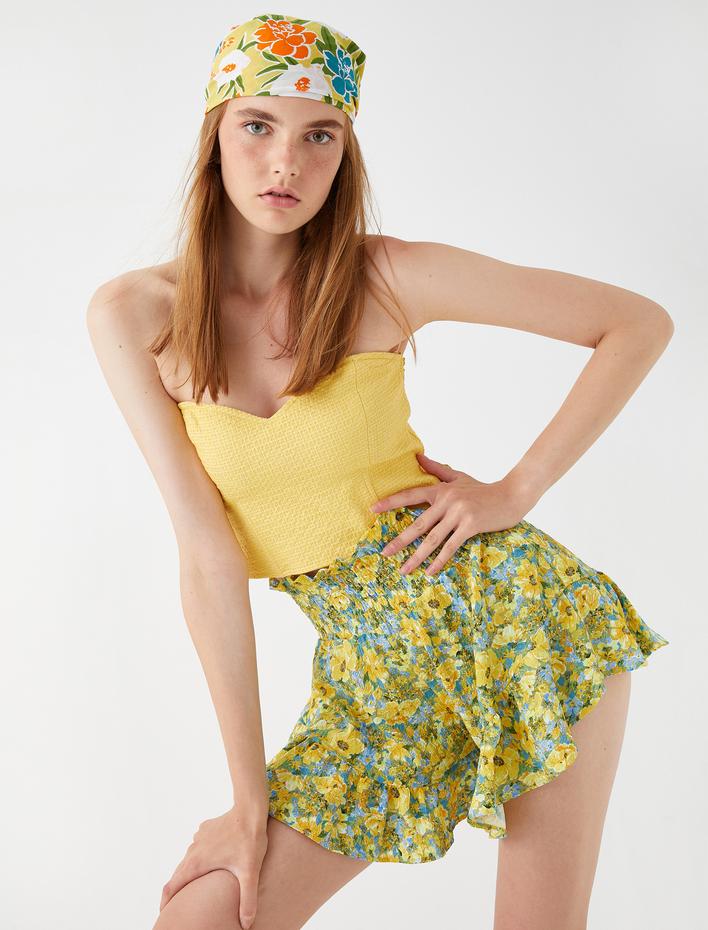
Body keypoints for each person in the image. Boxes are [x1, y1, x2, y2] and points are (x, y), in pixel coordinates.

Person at [86, 12, 672, 930]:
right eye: (258, 126)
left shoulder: (386, 277)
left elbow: (635, 323)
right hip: (372, 680)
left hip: (527, 629)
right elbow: (205, 553)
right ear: (214, 136)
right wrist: (246, 801)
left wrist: (515, 489)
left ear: (344, 154)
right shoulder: (136, 313)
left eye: (319, 136)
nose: (286, 163)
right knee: (200, 918)